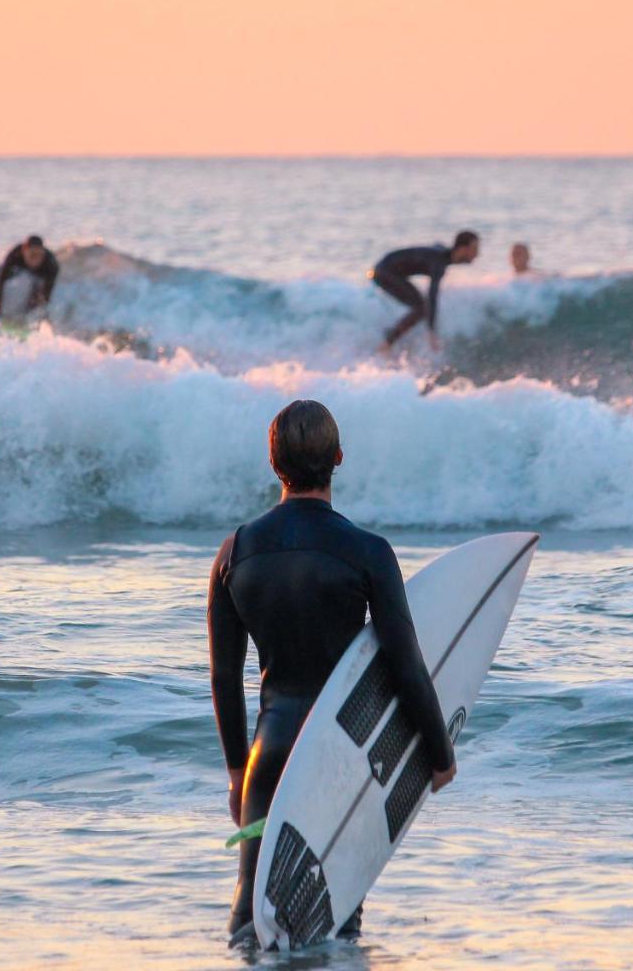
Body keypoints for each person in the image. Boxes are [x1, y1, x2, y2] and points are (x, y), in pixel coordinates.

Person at [207, 400, 457, 945]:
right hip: (338, 751)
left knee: (253, 918)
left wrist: (235, 771)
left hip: (267, 757)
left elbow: (224, 678)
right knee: (335, 922)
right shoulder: (368, 552)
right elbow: (405, 663)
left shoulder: (236, 552)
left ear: (275, 465)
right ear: (339, 458)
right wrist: (438, 756)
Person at [369, 231, 479, 351]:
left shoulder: (441, 255)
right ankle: (385, 345)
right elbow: (432, 295)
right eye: (474, 249)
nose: (477, 254)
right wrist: (431, 331)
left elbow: (436, 246)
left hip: (384, 270)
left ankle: (387, 339)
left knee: (420, 307)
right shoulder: (439, 263)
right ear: (462, 249)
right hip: (383, 272)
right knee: (421, 308)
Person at [0, 235, 59, 318]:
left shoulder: (50, 264)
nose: (35, 258)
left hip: (40, 274)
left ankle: (26, 317)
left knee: (39, 294)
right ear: (23, 251)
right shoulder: (15, 254)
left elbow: (46, 296)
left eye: (39, 254)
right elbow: (0, 282)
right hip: (18, 268)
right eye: (32, 254)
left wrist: (39, 314)